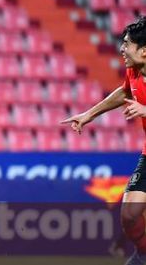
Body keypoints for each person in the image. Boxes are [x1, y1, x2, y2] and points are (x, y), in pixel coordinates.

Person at [62, 16, 146, 265]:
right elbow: (125, 91)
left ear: (144, 50)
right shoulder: (133, 70)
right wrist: (89, 115)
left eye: (127, 44)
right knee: (130, 215)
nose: (121, 48)